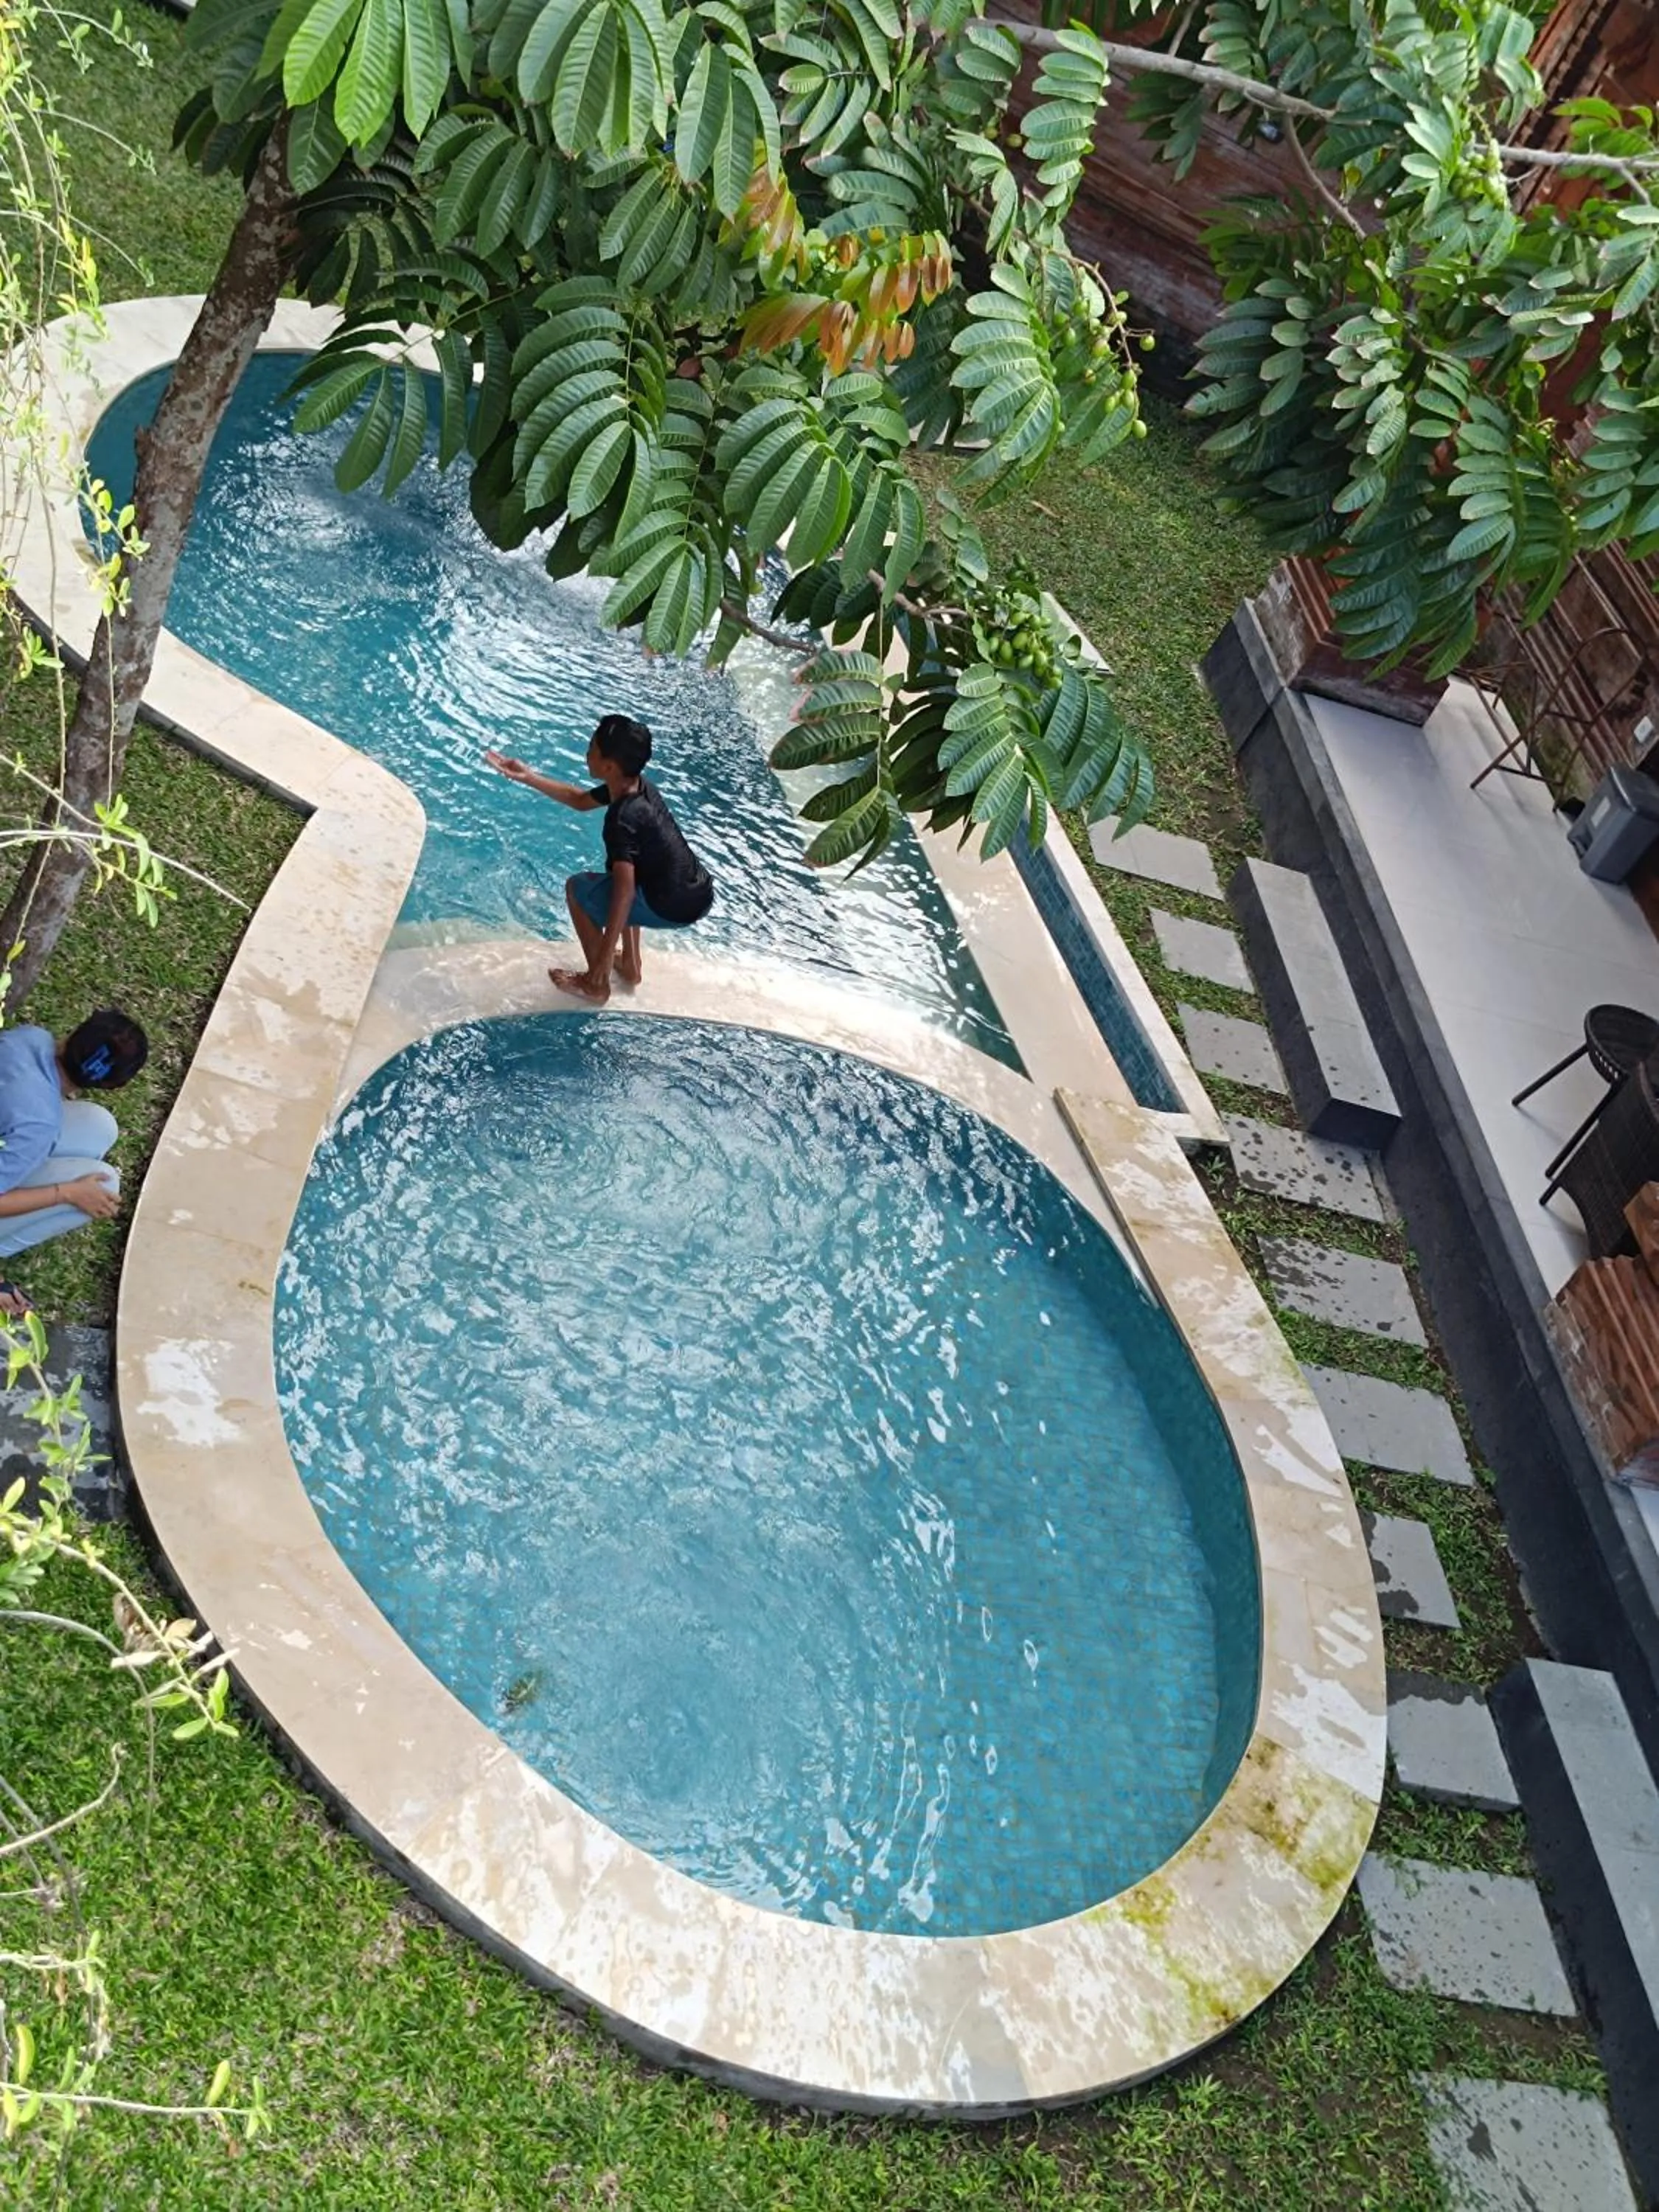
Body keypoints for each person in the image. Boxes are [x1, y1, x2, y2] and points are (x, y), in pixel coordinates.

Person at [486, 714, 714, 1004]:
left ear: (609, 766)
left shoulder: (622, 819)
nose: (587, 752)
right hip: (696, 892)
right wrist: (528, 776)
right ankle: (630, 967)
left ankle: (596, 984)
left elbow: (624, 893)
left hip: (671, 904)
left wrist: (604, 959)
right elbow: (580, 800)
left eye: (592, 748)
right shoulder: (636, 786)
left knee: (578, 890)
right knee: (629, 873)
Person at [0, 1009, 147, 1315]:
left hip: (28, 1127)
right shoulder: (39, 1126)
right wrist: (66, 1192)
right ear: (113, 1086)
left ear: (69, 1038)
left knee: (99, 1126)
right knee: (103, 1182)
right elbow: (33, 1126)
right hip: (31, 1131)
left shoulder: (31, 1037)